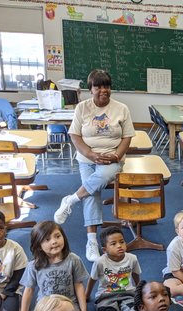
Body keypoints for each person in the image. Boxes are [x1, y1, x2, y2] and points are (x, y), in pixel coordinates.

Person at [54, 68, 135, 262]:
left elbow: (127, 137)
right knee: (92, 191)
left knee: (99, 179)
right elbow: (75, 135)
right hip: (87, 159)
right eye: (98, 86)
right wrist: (90, 154)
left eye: (106, 86)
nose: (103, 90)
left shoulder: (121, 108)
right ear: (90, 89)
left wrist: (116, 156)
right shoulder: (82, 108)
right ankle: (92, 241)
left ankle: (72, 200)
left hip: (112, 159)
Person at [20, 221, 93, 311]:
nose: (54, 242)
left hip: (69, 302)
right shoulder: (34, 265)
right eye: (47, 240)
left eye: (57, 236)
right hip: (46, 306)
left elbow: (79, 285)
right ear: (39, 246)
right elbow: (29, 290)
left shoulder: (73, 259)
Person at [85, 226, 141, 311]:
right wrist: (86, 295)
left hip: (127, 294)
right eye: (113, 244)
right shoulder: (100, 262)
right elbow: (92, 279)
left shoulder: (132, 258)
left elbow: (136, 274)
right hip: (106, 296)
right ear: (105, 250)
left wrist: (139, 291)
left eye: (122, 242)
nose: (119, 246)